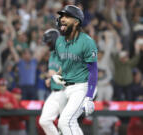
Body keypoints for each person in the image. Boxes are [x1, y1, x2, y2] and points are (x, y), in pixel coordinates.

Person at [52, 5, 98, 135]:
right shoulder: (60, 41)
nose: (62, 19)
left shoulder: (87, 42)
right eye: (62, 16)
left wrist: (89, 97)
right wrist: (58, 74)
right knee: (70, 124)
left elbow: (93, 71)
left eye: (67, 16)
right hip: (67, 88)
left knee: (65, 122)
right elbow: (67, 63)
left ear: (77, 22)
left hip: (83, 86)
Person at [39, 28, 67, 135]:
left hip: (66, 91)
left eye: (48, 42)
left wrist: (53, 75)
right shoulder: (52, 54)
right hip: (55, 92)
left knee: (66, 124)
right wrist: (51, 78)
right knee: (44, 121)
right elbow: (52, 72)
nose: (47, 45)